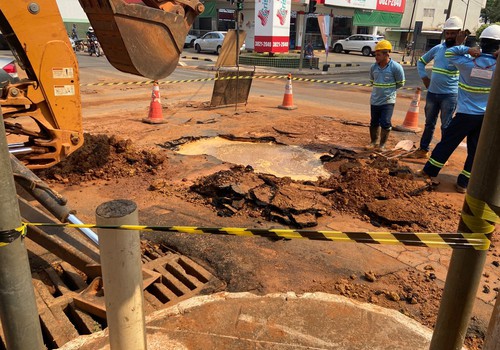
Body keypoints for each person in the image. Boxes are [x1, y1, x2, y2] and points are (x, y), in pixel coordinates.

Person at [420, 25, 500, 193]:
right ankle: (463, 183)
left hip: (465, 114)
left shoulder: (467, 63)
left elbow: (450, 53)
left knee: (447, 143)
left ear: (482, 43)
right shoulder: (497, 67)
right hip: (484, 117)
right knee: (475, 150)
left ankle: (429, 171)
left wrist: (467, 49)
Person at [411, 16, 463, 159]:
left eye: (453, 33)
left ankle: (441, 156)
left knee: (446, 126)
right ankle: (423, 149)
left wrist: (461, 48)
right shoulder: (438, 49)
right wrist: (425, 78)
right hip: (433, 94)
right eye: (447, 33)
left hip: (450, 95)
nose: (450, 36)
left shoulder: (463, 52)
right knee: (429, 124)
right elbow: (421, 62)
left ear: (459, 33)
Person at [368, 40, 405, 150]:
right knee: (374, 122)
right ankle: (373, 142)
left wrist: (389, 92)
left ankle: (382, 145)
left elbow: (400, 83)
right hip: (375, 100)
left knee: (385, 122)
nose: (376, 57)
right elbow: (372, 81)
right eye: (375, 54)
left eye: (378, 55)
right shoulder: (373, 67)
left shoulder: (396, 67)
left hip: (388, 101)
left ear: (386, 54)